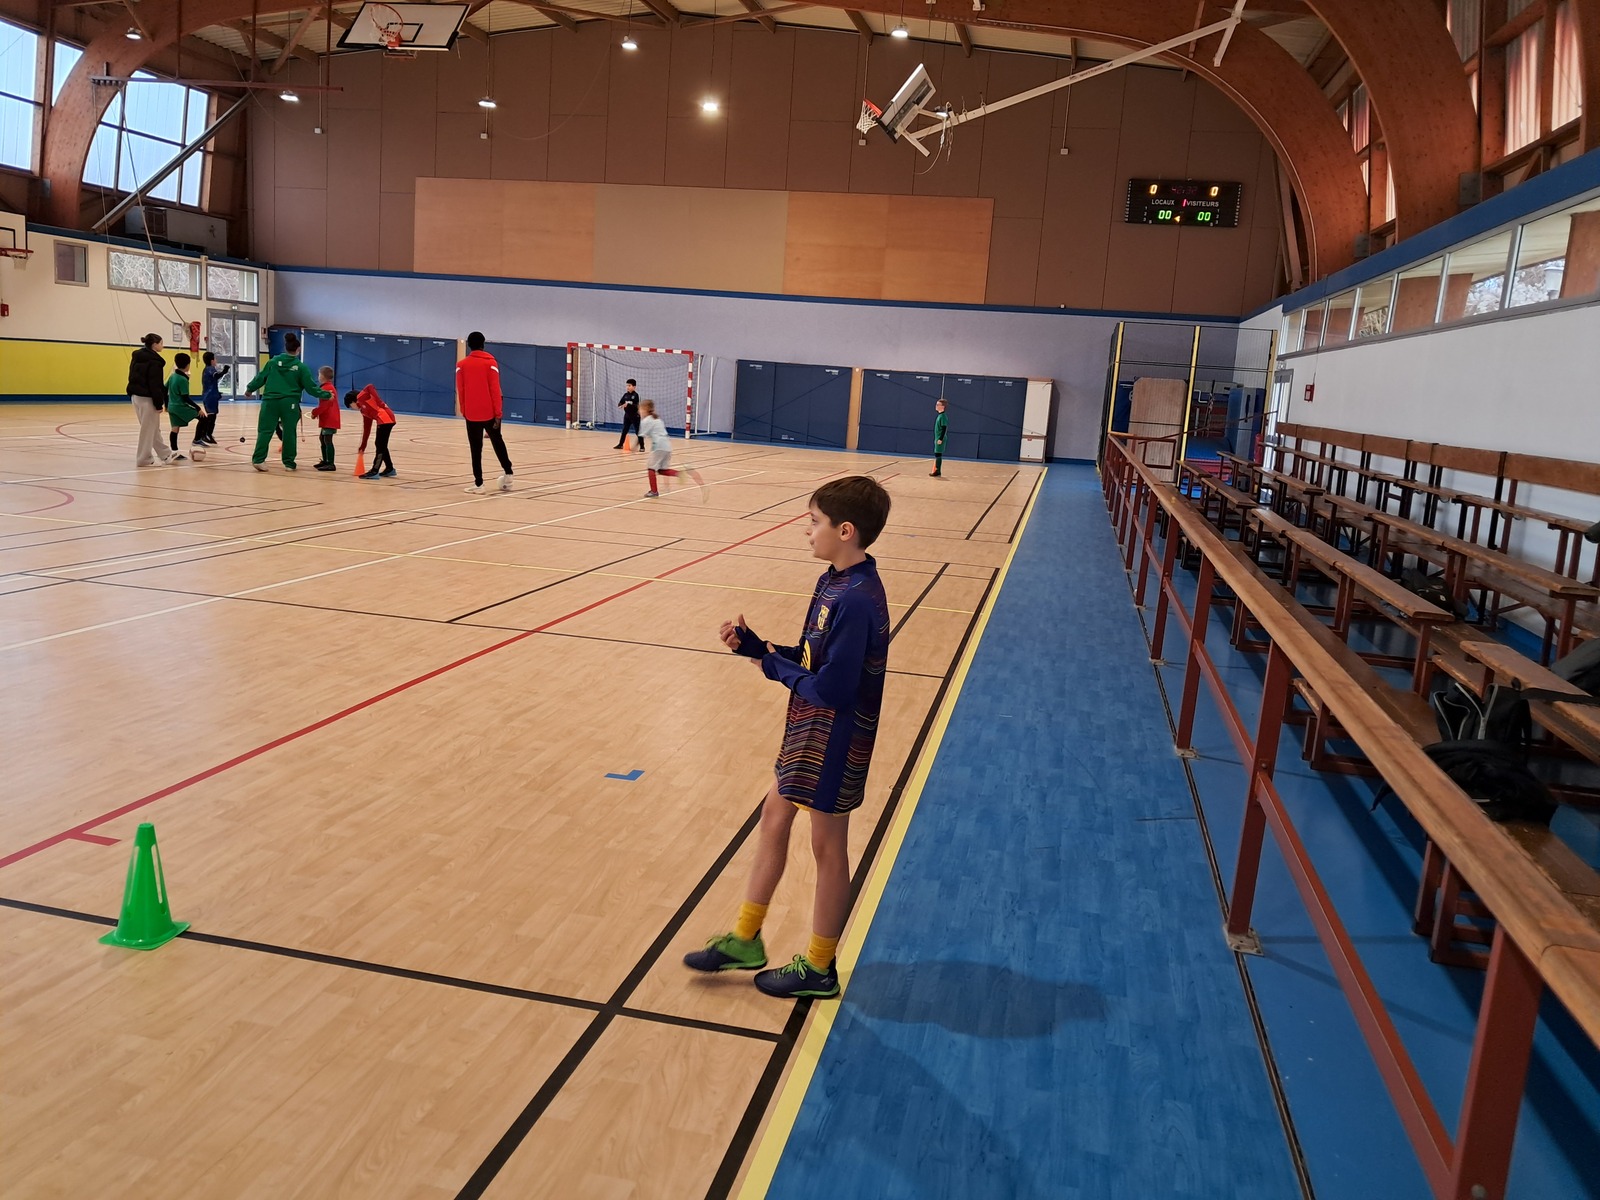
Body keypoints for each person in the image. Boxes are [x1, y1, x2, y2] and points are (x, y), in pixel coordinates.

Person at [685, 476, 893, 1000]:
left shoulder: (858, 600)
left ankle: (819, 967)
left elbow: (834, 689)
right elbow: (809, 658)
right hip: (809, 728)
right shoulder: (833, 582)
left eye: (815, 522)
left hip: (836, 737)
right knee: (774, 817)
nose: (807, 530)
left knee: (828, 847)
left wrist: (773, 668)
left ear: (845, 531)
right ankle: (745, 939)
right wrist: (760, 649)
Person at [244, 331, 324, 472]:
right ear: (298, 349)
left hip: (270, 401)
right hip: (289, 403)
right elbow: (311, 387)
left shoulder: (273, 362)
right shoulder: (301, 367)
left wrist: (250, 389)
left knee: (265, 431)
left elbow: (261, 377)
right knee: (289, 433)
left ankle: (258, 460)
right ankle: (289, 463)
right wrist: (325, 394)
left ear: (285, 347)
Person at [456, 331, 514, 495]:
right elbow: (495, 389)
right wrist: (498, 413)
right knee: (497, 441)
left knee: (476, 448)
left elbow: (461, 389)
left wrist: (464, 410)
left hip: (471, 413)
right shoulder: (491, 363)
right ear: (483, 344)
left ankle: (479, 484)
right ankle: (508, 473)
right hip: (490, 412)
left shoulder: (461, 365)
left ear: (468, 345)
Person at [638, 399, 705, 499]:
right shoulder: (657, 419)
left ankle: (654, 491)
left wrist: (634, 447)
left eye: (640, 409)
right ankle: (680, 474)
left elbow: (640, 436)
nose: (639, 411)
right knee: (661, 470)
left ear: (645, 409)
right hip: (667, 446)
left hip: (658, 446)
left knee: (651, 468)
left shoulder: (646, 420)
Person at [126, 333, 172, 467]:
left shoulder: (137, 356)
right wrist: (159, 403)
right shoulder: (155, 361)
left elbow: (132, 376)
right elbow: (155, 384)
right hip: (147, 398)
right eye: (161, 343)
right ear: (154, 344)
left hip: (136, 396)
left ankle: (165, 454)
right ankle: (144, 458)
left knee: (153, 428)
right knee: (148, 429)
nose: (163, 346)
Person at [348, 385, 398, 479]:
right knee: (381, 444)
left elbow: (370, 386)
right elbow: (367, 428)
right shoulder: (364, 411)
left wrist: (379, 402)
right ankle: (389, 468)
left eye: (350, 406)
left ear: (352, 402)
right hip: (384, 420)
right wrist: (363, 445)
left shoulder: (361, 397)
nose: (352, 408)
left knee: (380, 445)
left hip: (385, 418)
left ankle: (375, 470)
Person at [164, 353, 201, 462]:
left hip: (171, 407)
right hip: (180, 407)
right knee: (204, 418)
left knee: (175, 429)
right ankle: (198, 440)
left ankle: (174, 452)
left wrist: (166, 404)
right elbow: (185, 398)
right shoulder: (182, 379)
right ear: (188, 365)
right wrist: (198, 408)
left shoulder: (172, 376)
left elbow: (164, 390)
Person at [196, 351, 227, 447]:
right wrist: (224, 372)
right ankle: (207, 434)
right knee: (211, 416)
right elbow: (216, 376)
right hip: (210, 396)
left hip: (210, 395)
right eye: (215, 359)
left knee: (212, 415)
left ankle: (207, 434)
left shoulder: (206, 369)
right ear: (212, 360)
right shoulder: (210, 369)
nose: (216, 360)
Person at [312, 367, 340, 471]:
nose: (318, 377)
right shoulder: (326, 387)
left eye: (319, 375)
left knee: (328, 439)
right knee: (322, 438)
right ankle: (325, 460)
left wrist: (315, 412)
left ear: (323, 376)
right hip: (327, 418)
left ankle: (331, 463)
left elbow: (325, 405)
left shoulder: (327, 388)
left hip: (330, 418)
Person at [615, 378, 644, 451]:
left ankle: (642, 447)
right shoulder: (625, 395)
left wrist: (628, 404)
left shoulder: (636, 395)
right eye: (627, 385)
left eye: (629, 385)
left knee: (638, 431)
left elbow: (636, 405)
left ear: (634, 387)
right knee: (624, 430)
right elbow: (620, 403)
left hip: (635, 416)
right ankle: (620, 444)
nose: (627, 387)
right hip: (627, 416)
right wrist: (621, 405)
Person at [931, 398, 948, 478]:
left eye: (938, 405)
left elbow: (944, 428)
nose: (936, 406)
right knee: (937, 453)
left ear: (943, 407)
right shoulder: (940, 416)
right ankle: (937, 470)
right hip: (937, 437)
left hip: (940, 438)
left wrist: (941, 438)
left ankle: (937, 471)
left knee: (938, 454)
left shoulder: (943, 416)